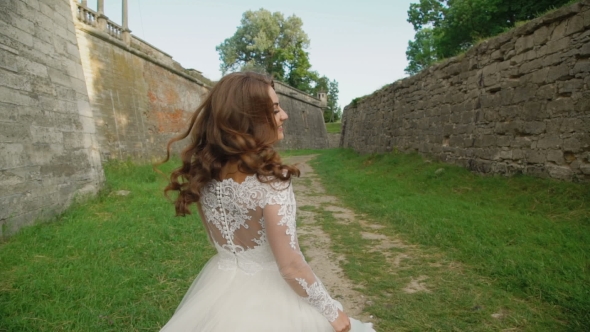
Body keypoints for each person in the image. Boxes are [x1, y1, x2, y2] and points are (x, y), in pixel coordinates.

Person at [159, 72, 375, 332]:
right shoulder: (271, 181)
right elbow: (291, 265)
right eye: (274, 110)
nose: (284, 115)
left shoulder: (205, 174)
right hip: (272, 297)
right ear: (249, 119)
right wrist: (331, 311)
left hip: (219, 286)